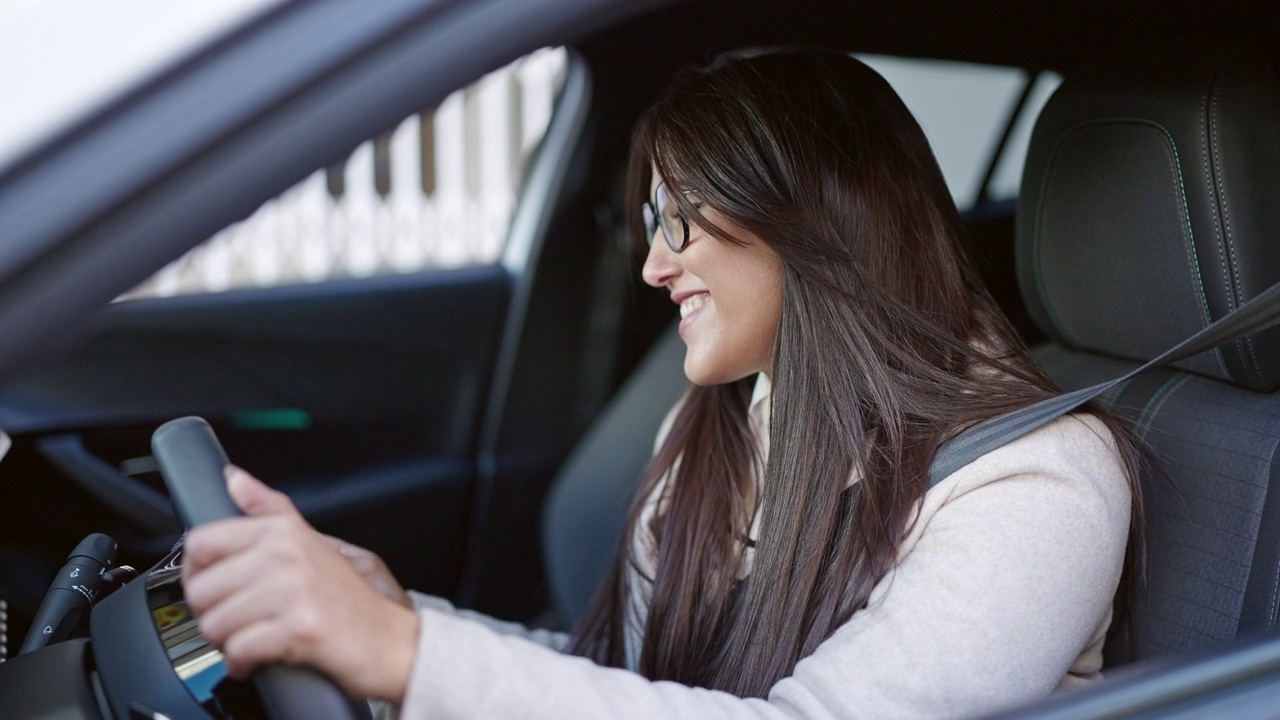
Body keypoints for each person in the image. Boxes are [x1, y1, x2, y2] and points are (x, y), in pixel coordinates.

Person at [181, 49, 1141, 718]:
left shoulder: (1038, 484)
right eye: (652, 217)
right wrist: (400, 616)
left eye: (684, 217)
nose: (653, 265)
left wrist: (406, 658)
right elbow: (625, 686)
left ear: (819, 221)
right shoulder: (722, 420)